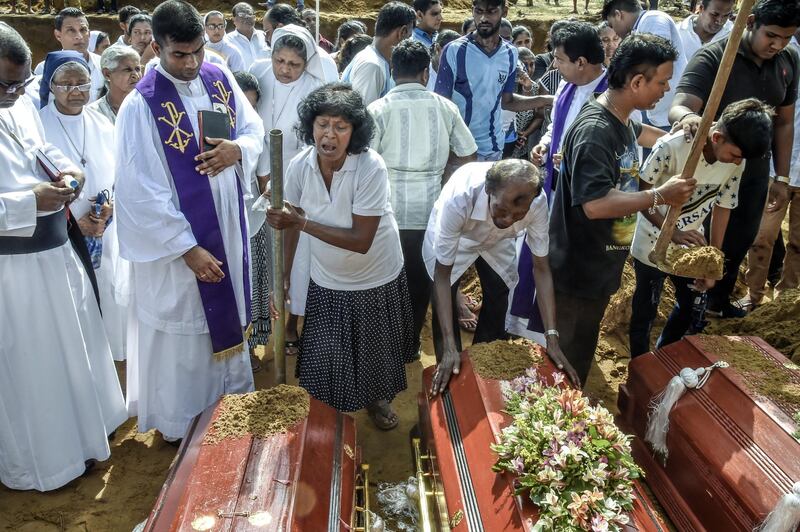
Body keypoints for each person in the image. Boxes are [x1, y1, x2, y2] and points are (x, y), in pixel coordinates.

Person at [114, 0, 265, 443]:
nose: (192, 62)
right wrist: (187, 247)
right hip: (180, 248)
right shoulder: (142, 106)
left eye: (197, 50)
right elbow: (139, 190)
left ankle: (229, 409)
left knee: (225, 317)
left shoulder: (219, 77)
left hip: (228, 227)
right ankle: (184, 426)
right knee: (186, 332)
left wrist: (238, 150)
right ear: (156, 48)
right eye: (180, 55)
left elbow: (254, 129)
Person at [0, 24, 126, 492]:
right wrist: (28, 201)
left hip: (56, 253)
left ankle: (88, 439)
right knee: (36, 366)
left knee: (76, 352)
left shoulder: (20, 107)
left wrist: (68, 172)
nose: (15, 93)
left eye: (20, 83)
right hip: (14, 271)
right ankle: (48, 462)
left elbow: (41, 149)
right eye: (5, 84)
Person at [266, 83, 416, 430]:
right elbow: (290, 227)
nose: (328, 135)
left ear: (355, 132)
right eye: (322, 124)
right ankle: (327, 415)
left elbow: (361, 240)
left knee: (375, 351)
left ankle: (377, 400)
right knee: (326, 357)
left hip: (374, 273)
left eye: (340, 126)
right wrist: (284, 276)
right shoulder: (300, 167)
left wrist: (302, 222)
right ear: (310, 126)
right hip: (328, 276)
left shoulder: (370, 167)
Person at [548, 34, 695, 387]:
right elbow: (596, 205)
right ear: (637, 82)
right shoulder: (596, 131)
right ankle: (558, 428)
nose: (667, 88)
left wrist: (677, 133)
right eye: (662, 81)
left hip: (600, 263)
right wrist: (661, 195)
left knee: (580, 351)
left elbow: (640, 137)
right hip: (577, 270)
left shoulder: (621, 119)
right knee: (568, 359)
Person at [670, 0, 800, 318]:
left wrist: (781, 177)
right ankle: (688, 307)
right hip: (712, 171)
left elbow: (784, 122)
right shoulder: (717, 56)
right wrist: (689, 118)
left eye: (786, 38)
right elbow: (681, 103)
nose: (777, 44)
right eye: (771, 35)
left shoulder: (788, 61)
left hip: (755, 169)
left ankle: (718, 302)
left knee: (742, 237)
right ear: (751, 22)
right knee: (703, 237)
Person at [630, 99, 774, 357]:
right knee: (645, 311)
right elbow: (643, 194)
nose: (736, 162)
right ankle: (638, 365)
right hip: (650, 244)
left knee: (690, 307)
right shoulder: (672, 147)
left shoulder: (735, 163)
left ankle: (663, 356)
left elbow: (723, 206)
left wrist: (712, 260)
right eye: (735, 155)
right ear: (717, 137)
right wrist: (671, 232)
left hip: (691, 247)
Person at [424, 159, 578, 393]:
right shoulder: (460, 199)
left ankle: (483, 362)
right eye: (502, 210)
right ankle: (449, 365)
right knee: (443, 298)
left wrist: (552, 339)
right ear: (489, 190)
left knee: (499, 293)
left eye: (518, 215)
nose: (508, 220)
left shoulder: (536, 204)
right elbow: (442, 276)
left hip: (498, 242)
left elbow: (541, 268)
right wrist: (448, 346)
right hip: (460, 237)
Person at [368, 39, 477, 359]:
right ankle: (408, 346)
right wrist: (445, 181)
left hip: (385, 213)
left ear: (392, 71)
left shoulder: (377, 110)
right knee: (420, 283)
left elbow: (364, 162)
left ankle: (383, 348)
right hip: (430, 213)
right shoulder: (446, 108)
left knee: (385, 283)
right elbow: (468, 155)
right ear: (426, 73)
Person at [39, 53, 130, 362]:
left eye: (83, 83)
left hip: (106, 228)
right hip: (62, 232)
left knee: (109, 295)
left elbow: (122, 173)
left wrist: (112, 208)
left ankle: (110, 362)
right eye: (66, 84)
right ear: (51, 86)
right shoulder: (39, 127)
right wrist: (75, 222)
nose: (76, 90)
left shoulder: (103, 123)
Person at [251, 24, 327, 356]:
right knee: (264, 255)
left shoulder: (315, 89)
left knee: (296, 257)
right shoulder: (258, 74)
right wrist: (264, 175)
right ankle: (262, 325)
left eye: (293, 64)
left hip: (299, 183)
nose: (284, 70)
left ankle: (294, 324)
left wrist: (285, 182)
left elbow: (316, 143)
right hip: (258, 179)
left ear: (305, 64)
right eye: (279, 61)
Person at [435, 0, 552, 162]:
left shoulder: (510, 53)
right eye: (478, 11)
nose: (483, 18)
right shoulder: (454, 51)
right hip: (459, 152)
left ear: (504, 12)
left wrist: (545, 100)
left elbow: (507, 101)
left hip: (494, 148)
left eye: (491, 11)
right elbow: (440, 106)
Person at [743, 30, 800, 310]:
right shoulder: (784, 57)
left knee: (798, 245)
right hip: (778, 166)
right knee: (761, 235)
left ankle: (786, 301)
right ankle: (753, 295)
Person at [602, 0, 687, 132]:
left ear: (618, 15)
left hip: (669, 113)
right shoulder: (642, 25)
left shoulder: (653, 19)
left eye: (612, 26)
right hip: (657, 110)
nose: (616, 33)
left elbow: (656, 60)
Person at [232, 70, 269, 367]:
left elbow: (265, 179)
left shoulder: (257, 133)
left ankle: (249, 346)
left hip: (252, 222)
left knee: (251, 285)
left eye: (252, 106)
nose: (247, 111)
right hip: (217, 225)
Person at [342, 2, 416, 106]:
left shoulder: (373, 59)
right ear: (402, 32)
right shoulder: (372, 66)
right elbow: (365, 116)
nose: (410, 42)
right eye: (410, 36)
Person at [34, 8, 105, 103]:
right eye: (71, 30)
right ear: (58, 35)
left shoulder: (103, 63)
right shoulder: (44, 68)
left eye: (83, 30)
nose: (79, 36)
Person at [263, 4, 339, 83]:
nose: (266, 38)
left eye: (267, 32)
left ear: (279, 28)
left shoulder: (322, 60)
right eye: (280, 61)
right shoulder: (263, 66)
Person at [90, 45, 141, 123]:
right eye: (127, 70)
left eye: (137, 69)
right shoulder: (93, 113)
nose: (136, 75)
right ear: (107, 74)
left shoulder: (146, 107)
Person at [225, 2, 269, 70]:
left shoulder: (264, 36)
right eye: (242, 15)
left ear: (254, 18)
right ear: (234, 20)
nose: (246, 18)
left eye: (249, 15)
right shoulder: (227, 41)